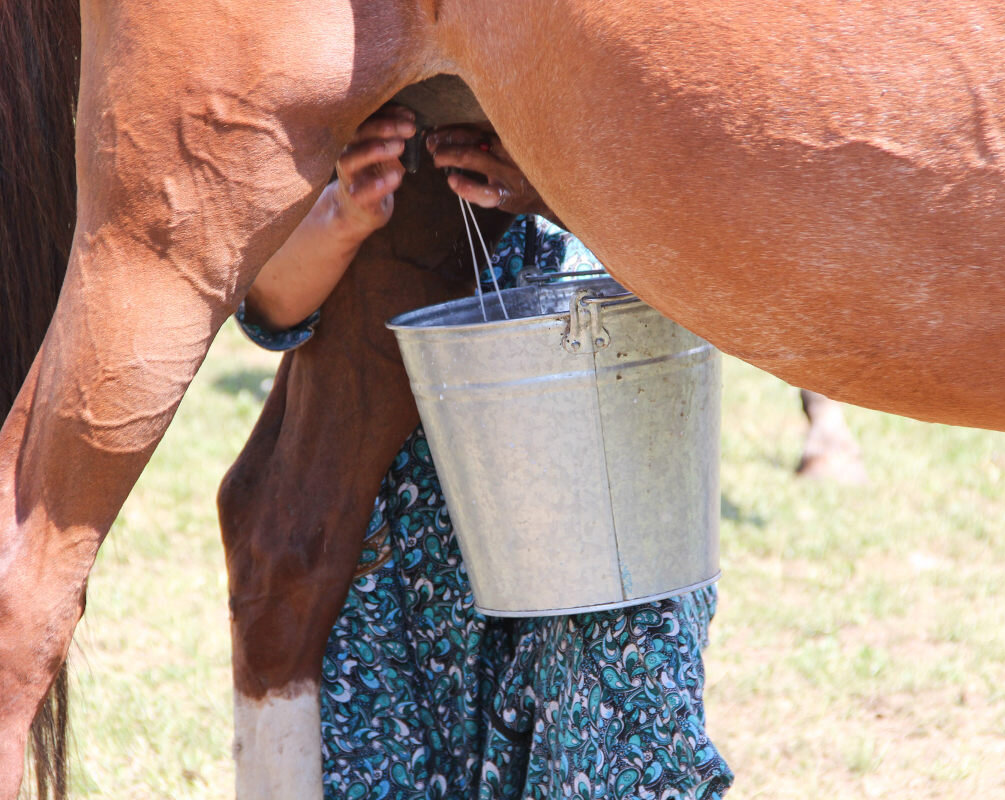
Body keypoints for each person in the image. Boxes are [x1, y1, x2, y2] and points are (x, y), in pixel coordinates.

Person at [239, 105, 733, 800]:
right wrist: (344, 217)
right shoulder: (372, 78)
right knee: (412, 749)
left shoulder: (644, 85)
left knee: (612, 719)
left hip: (597, 477)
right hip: (416, 519)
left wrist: (547, 195)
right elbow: (272, 311)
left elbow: (723, 262)